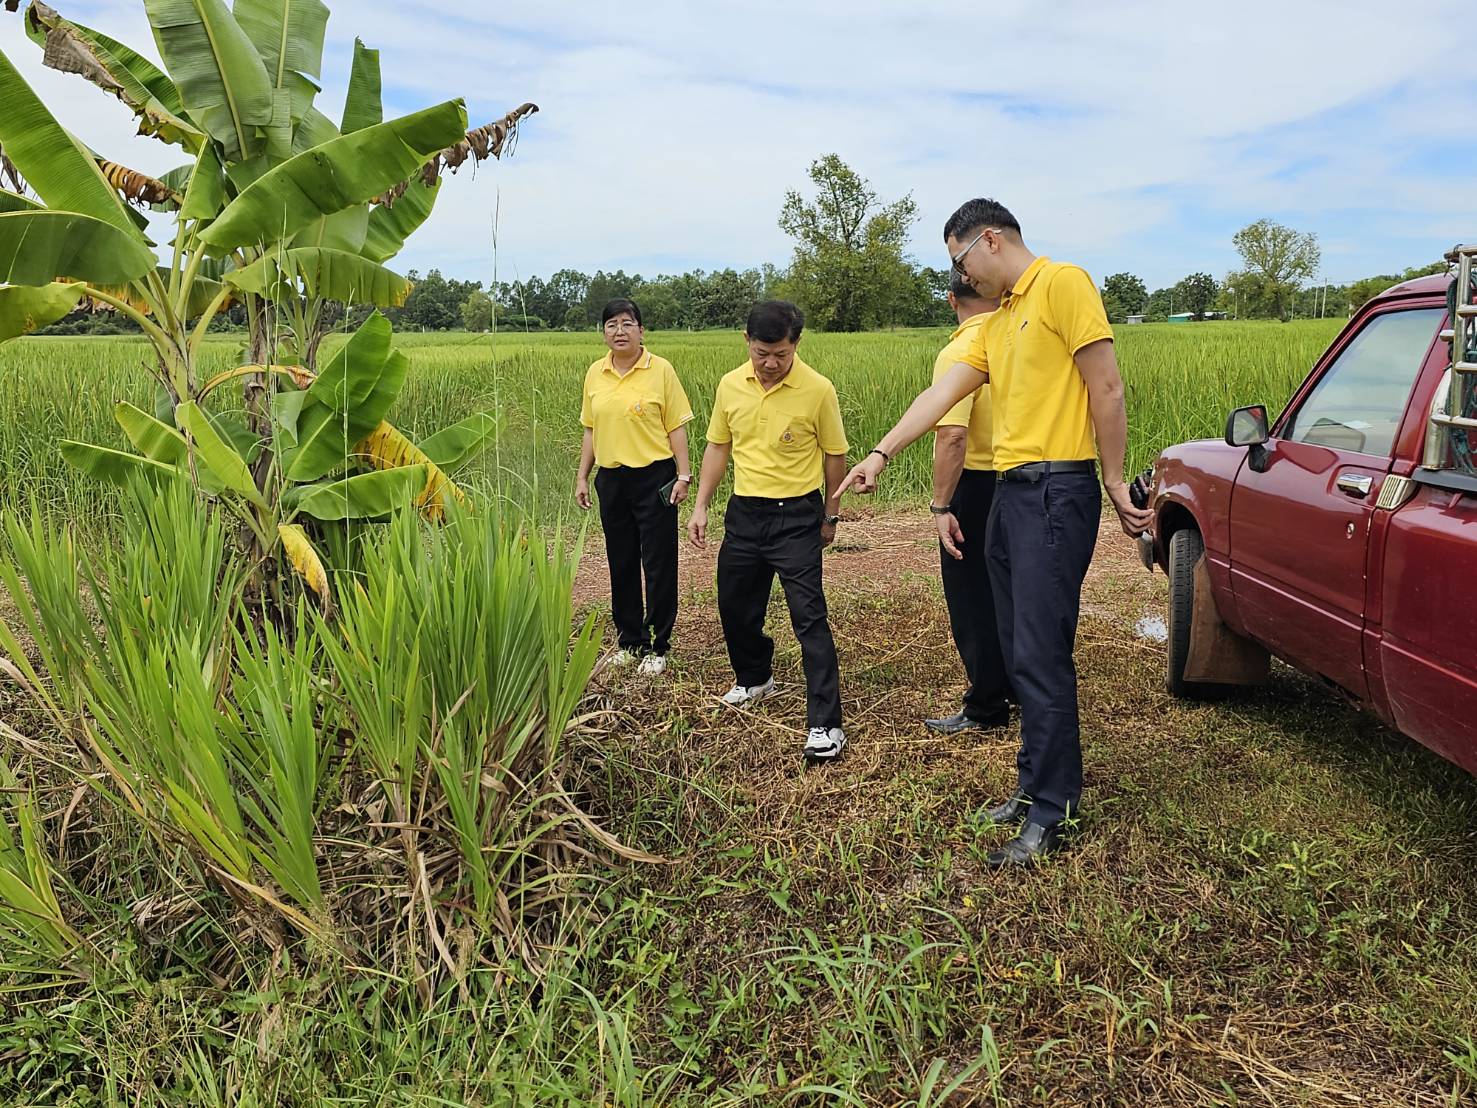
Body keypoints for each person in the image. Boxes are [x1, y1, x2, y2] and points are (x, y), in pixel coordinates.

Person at [840, 199, 1154, 867]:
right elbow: (940, 396)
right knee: (1016, 647)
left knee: (1039, 651)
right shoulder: (1000, 318)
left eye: (959, 261)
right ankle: (1030, 786)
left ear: (988, 240)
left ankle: (1053, 810)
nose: (961, 277)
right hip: (1011, 494)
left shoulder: (1063, 283)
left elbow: (1106, 387)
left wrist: (1112, 478)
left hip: (1056, 489)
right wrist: (880, 453)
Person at [688, 300, 850, 763]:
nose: (771, 363)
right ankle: (754, 677)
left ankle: (826, 724)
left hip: (796, 515)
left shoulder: (817, 389)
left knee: (808, 617)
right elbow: (718, 447)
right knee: (735, 605)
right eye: (762, 353)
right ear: (747, 342)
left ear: (796, 344)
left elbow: (834, 455)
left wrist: (831, 514)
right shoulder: (729, 385)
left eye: (781, 353)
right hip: (744, 513)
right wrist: (701, 505)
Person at [576, 298, 693, 676]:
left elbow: (676, 427)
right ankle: (630, 641)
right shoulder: (596, 373)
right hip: (612, 479)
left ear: (642, 330)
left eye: (627, 323)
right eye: (611, 324)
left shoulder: (660, 370)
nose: (619, 331)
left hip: (654, 477)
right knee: (621, 560)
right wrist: (583, 475)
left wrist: (684, 475)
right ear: (603, 333)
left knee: (658, 561)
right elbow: (591, 429)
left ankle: (658, 644)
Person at [926, 272, 1013, 734]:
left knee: (972, 597)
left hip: (976, 486)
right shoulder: (1019, 343)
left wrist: (942, 505)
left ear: (951, 300)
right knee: (1016, 592)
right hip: (1025, 480)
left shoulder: (960, 352)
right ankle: (1022, 688)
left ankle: (986, 705)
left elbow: (953, 435)